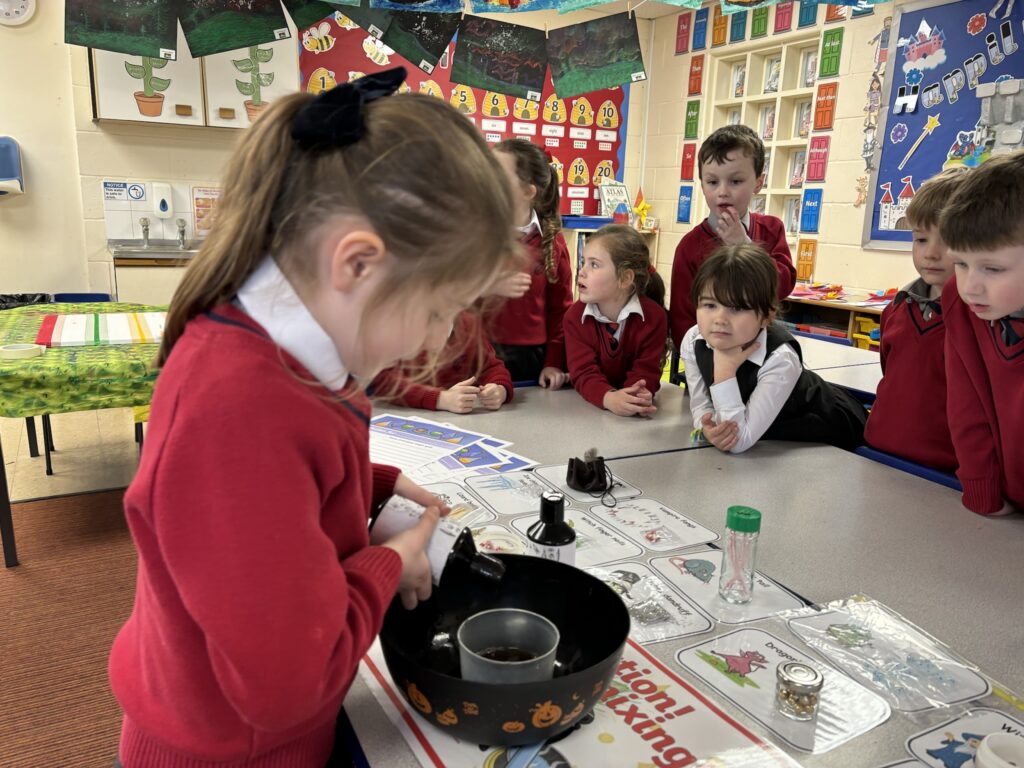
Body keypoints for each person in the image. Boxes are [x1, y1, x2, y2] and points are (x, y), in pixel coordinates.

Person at [108, 68, 518, 768]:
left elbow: (280, 490)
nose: (436, 339)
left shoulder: (284, 351)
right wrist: (389, 562)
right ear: (356, 263)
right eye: (437, 308)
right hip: (233, 752)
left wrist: (373, 485)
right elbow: (289, 686)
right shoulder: (238, 411)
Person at [681, 244, 866, 453]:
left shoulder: (781, 358)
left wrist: (725, 371)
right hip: (769, 436)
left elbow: (738, 440)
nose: (720, 319)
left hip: (826, 428)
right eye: (710, 305)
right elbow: (701, 407)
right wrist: (707, 429)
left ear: (767, 316)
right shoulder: (692, 341)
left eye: (738, 308)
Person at [864, 167, 968, 471]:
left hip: (947, 473)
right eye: (921, 239)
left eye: (948, 241)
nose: (931, 254)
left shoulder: (982, 322)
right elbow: (890, 371)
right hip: (879, 454)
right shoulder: (896, 310)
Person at [939, 149, 1024, 516]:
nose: (970, 287)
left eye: (992, 268)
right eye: (960, 263)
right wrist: (982, 494)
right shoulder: (961, 306)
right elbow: (966, 405)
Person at [669, 124, 795, 346]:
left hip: (762, 353)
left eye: (735, 181)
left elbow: (782, 286)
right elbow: (682, 321)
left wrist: (745, 246)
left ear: (758, 183)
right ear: (702, 184)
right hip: (709, 358)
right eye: (712, 182)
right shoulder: (689, 246)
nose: (723, 191)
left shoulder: (771, 229)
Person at [489, 139, 573, 387]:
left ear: (528, 192)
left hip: (532, 361)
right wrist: (489, 286)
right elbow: (448, 295)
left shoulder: (552, 242)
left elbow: (561, 310)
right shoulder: (477, 235)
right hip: (481, 355)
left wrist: (553, 362)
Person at [563, 225, 668, 417]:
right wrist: (609, 397)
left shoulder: (655, 318)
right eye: (582, 262)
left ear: (625, 278)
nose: (581, 271)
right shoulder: (574, 317)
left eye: (593, 264)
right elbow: (584, 372)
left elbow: (647, 370)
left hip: (626, 420)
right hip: (587, 413)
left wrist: (638, 396)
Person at [372, 311, 513, 413]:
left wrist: (499, 390)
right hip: (407, 422)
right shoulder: (400, 326)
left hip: (462, 424)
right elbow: (385, 382)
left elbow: (491, 367)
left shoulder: (467, 322)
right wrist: (441, 399)